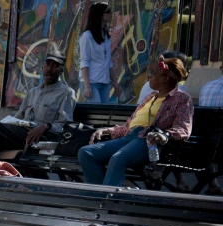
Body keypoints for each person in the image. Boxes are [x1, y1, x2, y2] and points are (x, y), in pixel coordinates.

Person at [78, 55, 193, 187]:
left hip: (148, 140)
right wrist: (108, 130)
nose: (150, 76)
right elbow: (128, 126)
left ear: (166, 78)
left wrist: (165, 135)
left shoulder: (182, 99)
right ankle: (100, 197)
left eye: (154, 73)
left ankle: (107, 201)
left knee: (118, 159)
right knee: (86, 153)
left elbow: (183, 128)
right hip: (130, 137)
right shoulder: (151, 97)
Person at [0, 51, 76, 164]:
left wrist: (46, 126)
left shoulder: (66, 93)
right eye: (47, 65)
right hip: (21, 133)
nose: (49, 69)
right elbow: (18, 117)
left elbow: (65, 125)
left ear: (61, 71)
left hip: (39, 137)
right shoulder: (33, 92)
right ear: (42, 67)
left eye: (55, 66)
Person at [79, 2, 121, 103]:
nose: (111, 14)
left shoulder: (106, 36)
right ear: (100, 15)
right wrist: (87, 85)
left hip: (104, 82)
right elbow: (84, 61)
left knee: (103, 114)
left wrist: (115, 83)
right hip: (91, 83)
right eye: (108, 12)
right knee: (96, 113)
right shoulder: (87, 36)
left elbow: (108, 62)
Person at [197, 61, 223, 195]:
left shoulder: (206, 87)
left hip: (202, 146)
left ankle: (212, 184)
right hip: (219, 147)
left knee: (210, 137)